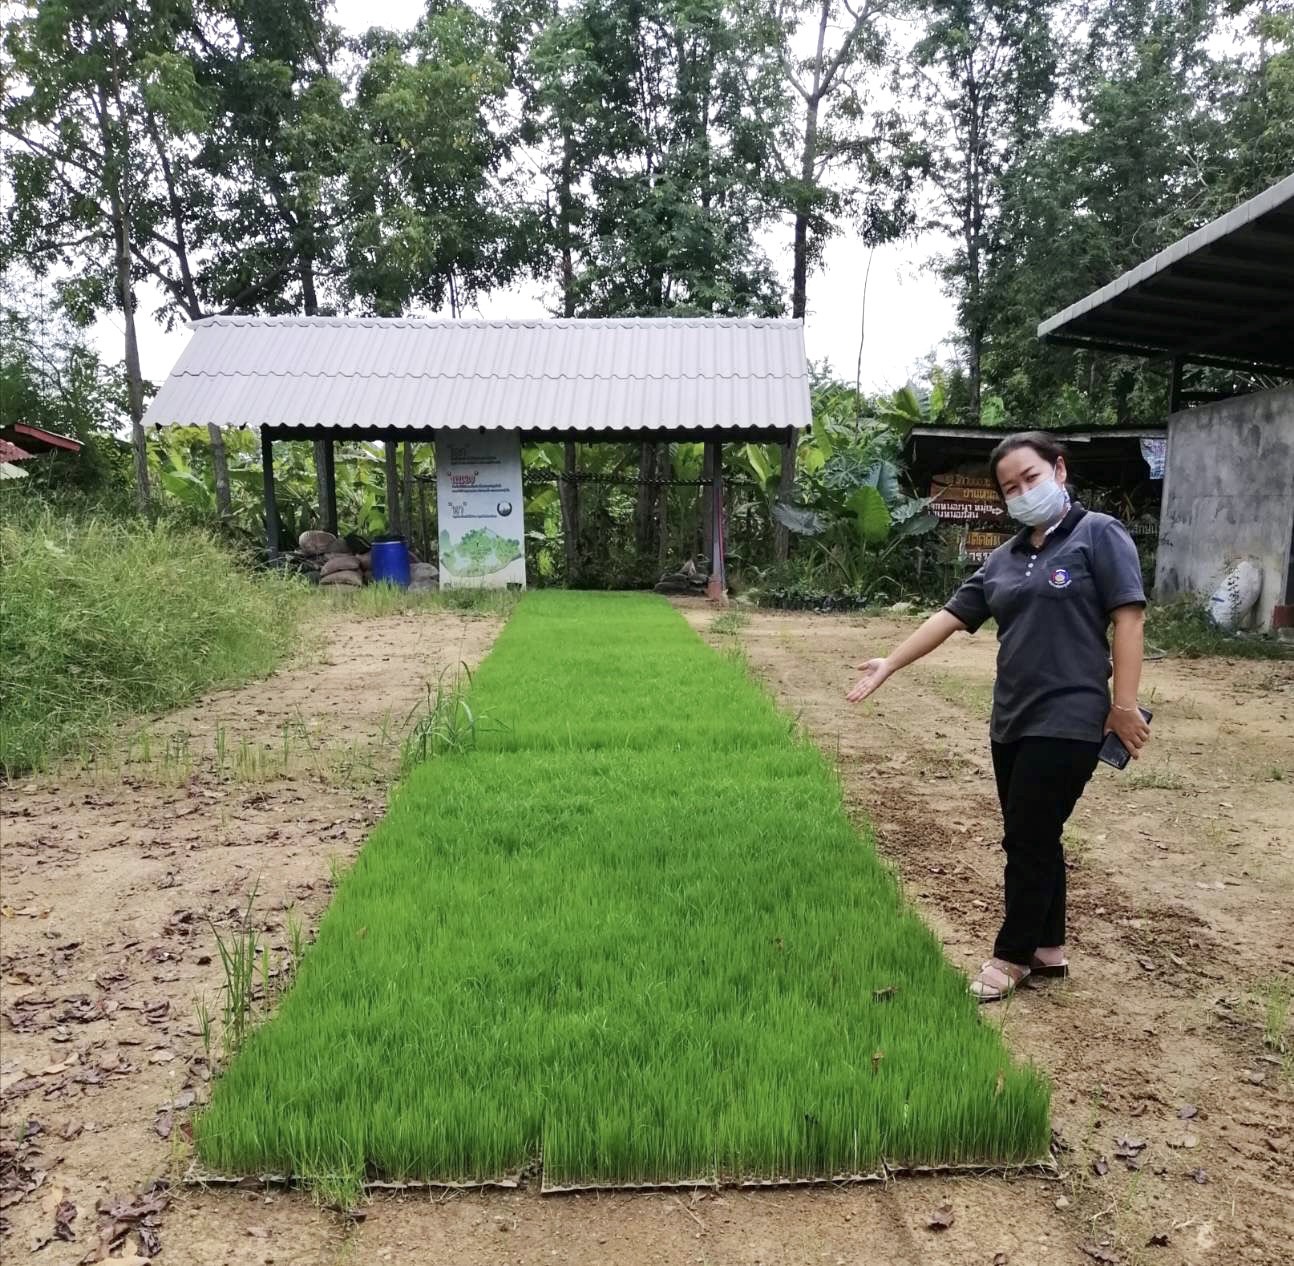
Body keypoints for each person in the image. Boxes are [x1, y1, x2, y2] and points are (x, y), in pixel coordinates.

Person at [846, 432, 1150, 1002]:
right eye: (1010, 488)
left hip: (1071, 715)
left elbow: (1128, 619)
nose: (1023, 492)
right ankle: (1048, 949)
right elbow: (950, 616)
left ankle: (1011, 956)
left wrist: (1124, 706)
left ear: (1059, 470)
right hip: (1011, 719)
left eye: (1031, 477)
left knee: (1027, 837)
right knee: (1036, 834)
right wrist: (890, 662)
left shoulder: (1098, 533)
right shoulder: (1003, 559)